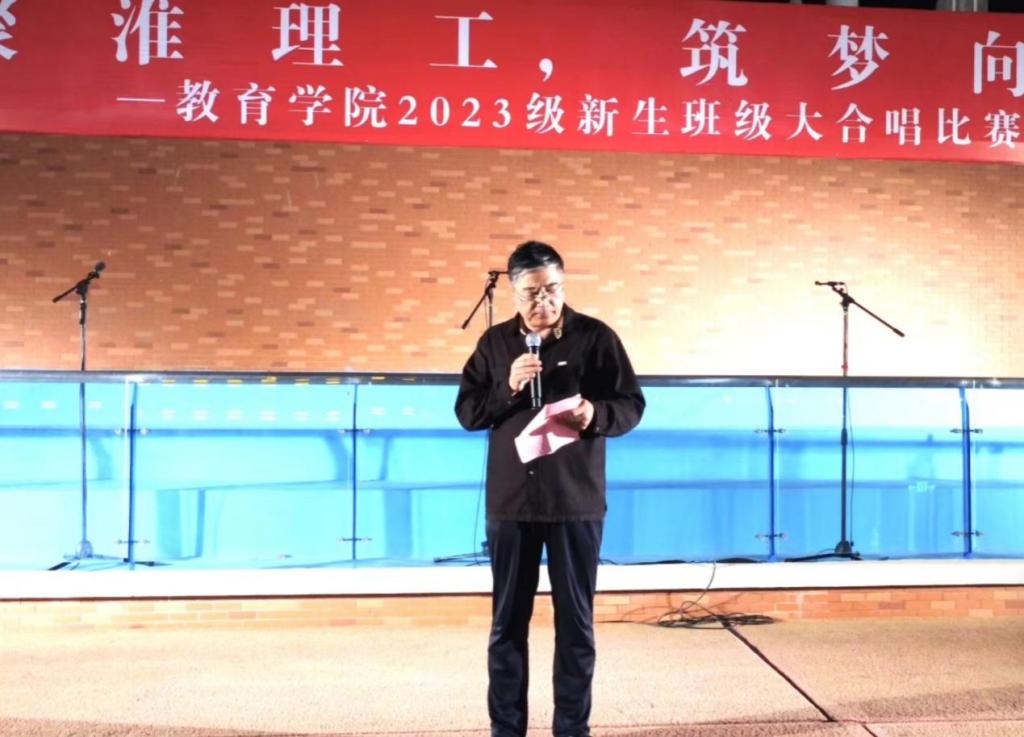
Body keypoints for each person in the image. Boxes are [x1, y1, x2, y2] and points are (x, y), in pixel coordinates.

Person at [454, 241, 646, 737]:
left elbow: (631, 405)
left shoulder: (596, 338)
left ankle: (572, 730)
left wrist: (595, 414)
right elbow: (468, 413)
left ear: (563, 284)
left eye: (553, 289)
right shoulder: (495, 344)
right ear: (514, 292)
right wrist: (508, 388)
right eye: (532, 293)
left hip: (574, 501)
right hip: (511, 504)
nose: (544, 301)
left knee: (576, 626)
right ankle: (506, 729)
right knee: (506, 626)